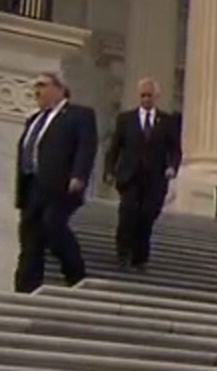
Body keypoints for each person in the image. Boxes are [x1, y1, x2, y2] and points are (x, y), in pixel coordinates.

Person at [14, 70, 96, 293]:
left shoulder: (79, 115)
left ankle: (76, 275)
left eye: (42, 85)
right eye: (35, 87)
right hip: (32, 186)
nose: (37, 91)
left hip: (60, 185)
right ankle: (25, 288)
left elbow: (86, 147)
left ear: (59, 89)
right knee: (29, 238)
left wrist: (79, 175)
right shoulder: (34, 119)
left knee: (53, 226)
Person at [102, 76, 181, 272]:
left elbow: (175, 149)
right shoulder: (126, 119)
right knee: (127, 213)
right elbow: (114, 148)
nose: (146, 99)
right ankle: (123, 253)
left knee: (147, 216)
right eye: (143, 95)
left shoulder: (168, 121)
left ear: (156, 97)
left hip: (155, 179)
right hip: (130, 176)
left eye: (149, 95)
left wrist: (172, 166)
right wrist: (110, 170)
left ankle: (140, 257)